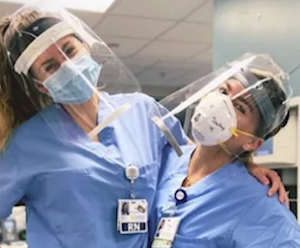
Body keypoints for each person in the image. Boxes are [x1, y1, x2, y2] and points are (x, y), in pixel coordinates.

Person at [0, 4, 289, 248]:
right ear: (42, 86)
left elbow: (191, 161)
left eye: (69, 50)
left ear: (86, 47)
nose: (68, 66)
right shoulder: (28, 144)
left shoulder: (142, 111)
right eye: (50, 67)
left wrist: (245, 165)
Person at [149, 53, 300, 247]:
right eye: (223, 91)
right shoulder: (162, 159)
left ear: (252, 143)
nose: (219, 104)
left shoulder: (259, 206)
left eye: (240, 107)